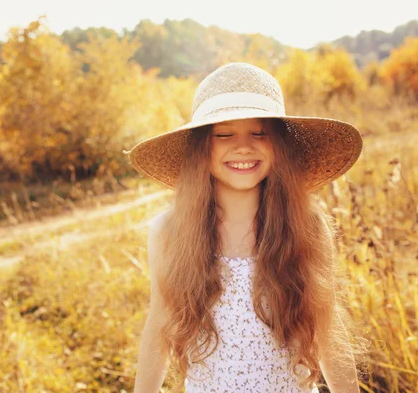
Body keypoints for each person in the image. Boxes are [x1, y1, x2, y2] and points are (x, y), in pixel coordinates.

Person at [125, 62, 368, 393]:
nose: (243, 146)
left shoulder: (306, 224)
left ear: (279, 145)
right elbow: (159, 327)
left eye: (259, 133)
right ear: (202, 148)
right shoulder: (171, 231)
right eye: (224, 134)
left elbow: (328, 329)